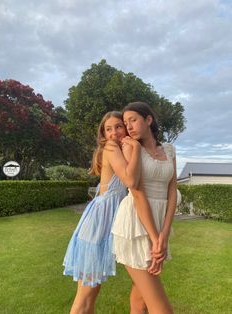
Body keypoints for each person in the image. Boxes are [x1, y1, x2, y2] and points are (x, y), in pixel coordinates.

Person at [63, 111, 161, 314]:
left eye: (118, 126)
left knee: (133, 283)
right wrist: (134, 148)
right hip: (100, 221)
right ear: (104, 134)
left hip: (117, 219)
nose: (114, 132)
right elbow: (130, 180)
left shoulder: (122, 148)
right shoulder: (110, 148)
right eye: (108, 129)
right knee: (86, 295)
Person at [112, 101, 177, 314]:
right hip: (136, 225)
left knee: (140, 300)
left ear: (148, 120)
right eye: (125, 122)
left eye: (133, 120)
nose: (128, 126)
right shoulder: (131, 147)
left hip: (159, 225)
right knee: (161, 308)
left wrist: (164, 235)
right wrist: (155, 237)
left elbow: (172, 191)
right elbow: (137, 193)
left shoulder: (169, 149)